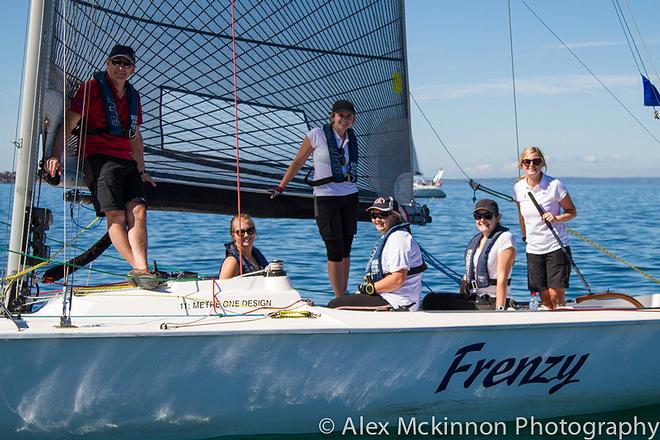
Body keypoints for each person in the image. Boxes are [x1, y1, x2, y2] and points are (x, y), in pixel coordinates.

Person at [44, 44, 158, 289]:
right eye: (116, 62)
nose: (120, 67)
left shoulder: (133, 96)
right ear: (107, 64)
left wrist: (142, 169)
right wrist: (55, 155)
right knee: (116, 216)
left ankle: (142, 269)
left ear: (132, 69)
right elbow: (68, 123)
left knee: (138, 212)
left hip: (126, 160)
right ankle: (142, 270)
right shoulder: (92, 89)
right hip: (99, 159)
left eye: (126, 64)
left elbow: (135, 136)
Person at [269, 99, 359, 298]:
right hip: (326, 198)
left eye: (348, 116)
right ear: (332, 116)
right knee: (334, 248)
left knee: (346, 249)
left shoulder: (351, 137)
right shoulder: (317, 134)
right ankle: (338, 297)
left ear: (353, 119)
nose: (344, 119)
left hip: (350, 196)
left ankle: (344, 293)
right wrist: (281, 186)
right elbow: (298, 161)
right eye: (340, 115)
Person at [327, 196, 426, 311]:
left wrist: (369, 288)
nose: (377, 219)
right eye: (374, 215)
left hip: (398, 302)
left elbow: (398, 279)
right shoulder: (391, 236)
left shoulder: (398, 238)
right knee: (342, 301)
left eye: (383, 215)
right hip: (386, 296)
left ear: (395, 215)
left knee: (335, 305)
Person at [513, 146, 577, 309]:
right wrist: (525, 236)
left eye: (536, 161)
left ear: (542, 163)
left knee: (555, 294)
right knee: (545, 298)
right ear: (522, 164)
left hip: (556, 245)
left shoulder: (555, 185)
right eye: (527, 162)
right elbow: (521, 215)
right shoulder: (518, 188)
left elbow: (572, 212)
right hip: (534, 248)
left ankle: (561, 323)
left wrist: (557, 218)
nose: (531, 165)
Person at [463, 199, 516, 311]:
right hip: (476, 298)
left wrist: (499, 309)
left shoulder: (505, 238)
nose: (482, 220)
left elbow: (502, 278)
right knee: (433, 301)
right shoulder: (476, 241)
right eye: (478, 216)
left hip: (493, 300)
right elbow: (467, 276)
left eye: (487, 216)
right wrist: (460, 299)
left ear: (497, 218)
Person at [220, 214, 268, 279]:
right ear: (233, 235)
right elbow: (223, 287)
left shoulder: (255, 254)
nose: (246, 235)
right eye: (241, 232)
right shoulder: (232, 262)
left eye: (250, 231)